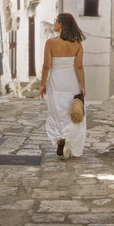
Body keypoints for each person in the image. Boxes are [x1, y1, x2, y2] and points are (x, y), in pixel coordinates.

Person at [40, 13, 86, 158]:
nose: (54, 23)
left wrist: (42, 84)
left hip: (56, 81)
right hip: (72, 81)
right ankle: (68, 140)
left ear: (61, 24)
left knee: (56, 112)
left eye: (56, 21)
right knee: (71, 112)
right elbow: (79, 67)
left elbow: (47, 66)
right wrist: (83, 86)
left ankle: (60, 138)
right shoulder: (78, 44)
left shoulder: (50, 43)